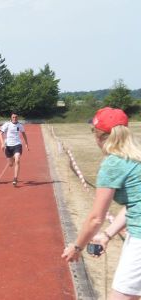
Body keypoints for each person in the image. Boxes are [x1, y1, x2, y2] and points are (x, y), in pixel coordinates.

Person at [62, 107, 141, 299]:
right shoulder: (136, 157)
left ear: (100, 136)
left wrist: (77, 247)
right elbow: (134, 205)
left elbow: (96, 218)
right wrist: (107, 235)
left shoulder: (113, 163)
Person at [0, 112, 29, 186]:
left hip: (17, 144)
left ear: (17, 118)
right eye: (13, 117)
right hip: (8, 146)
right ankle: (11, 159)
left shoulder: (20, 125)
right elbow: (0, 134)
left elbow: (23, 133)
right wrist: (2, 143)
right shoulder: (7, 124)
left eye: (16, 117)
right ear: (11, 118)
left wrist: (26, 144)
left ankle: (15, 178)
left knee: (17, 160)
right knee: (10, 164)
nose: (14, 118)